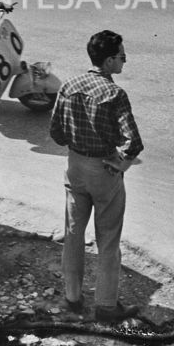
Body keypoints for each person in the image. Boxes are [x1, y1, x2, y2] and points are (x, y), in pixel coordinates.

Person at [49, 30, 144, 322]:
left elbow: (56, 133)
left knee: (74, 235)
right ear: (108, 61)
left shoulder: (69, 86)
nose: (124, 60)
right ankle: (105, 305)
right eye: (120, 56)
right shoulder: (114, 94)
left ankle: (72, 298)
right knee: (109, 239)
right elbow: (134, 143)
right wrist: (121, 164)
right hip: (104, 169)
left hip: (75, 168)